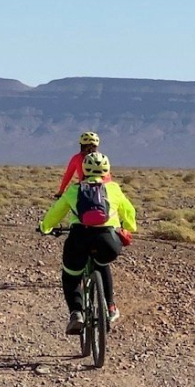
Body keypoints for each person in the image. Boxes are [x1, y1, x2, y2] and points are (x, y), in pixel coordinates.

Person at [39, 152, 137, 335]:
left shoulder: (75, 190)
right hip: (108, 240)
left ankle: (76, 313)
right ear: (107, 169)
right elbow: (129, 211)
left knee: (71, 275)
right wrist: (129, 227)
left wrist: (45, 227)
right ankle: (110, 307)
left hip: (79, 237)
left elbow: (55, 212)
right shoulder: (114, 189)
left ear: (83, 169)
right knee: (102, 264)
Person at [56, 132, 111, 197]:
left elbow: (68, 175)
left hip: (85, 191)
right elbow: (107, 177)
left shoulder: (77, 158)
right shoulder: (102, 158)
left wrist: (61, 191)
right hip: (105, 191)